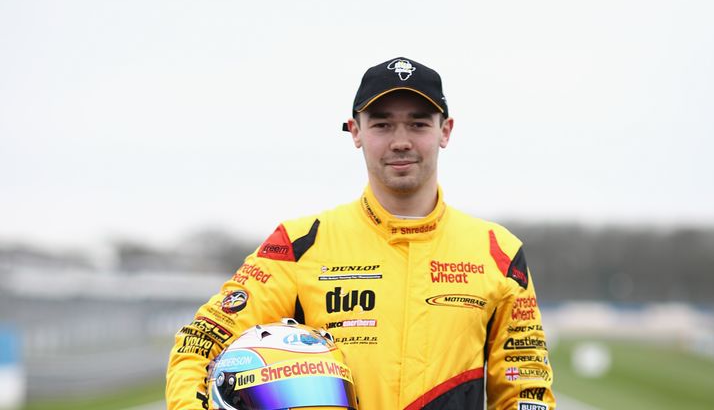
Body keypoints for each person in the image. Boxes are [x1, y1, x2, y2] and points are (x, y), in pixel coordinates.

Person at [166, 57, 556, 410]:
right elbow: (199, 343)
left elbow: (526, 391)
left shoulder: (498, 252)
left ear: (445, 131)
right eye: (382, 124)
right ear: (355, 131)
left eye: (418, 123)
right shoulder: (300, 244)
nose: (401, 141)